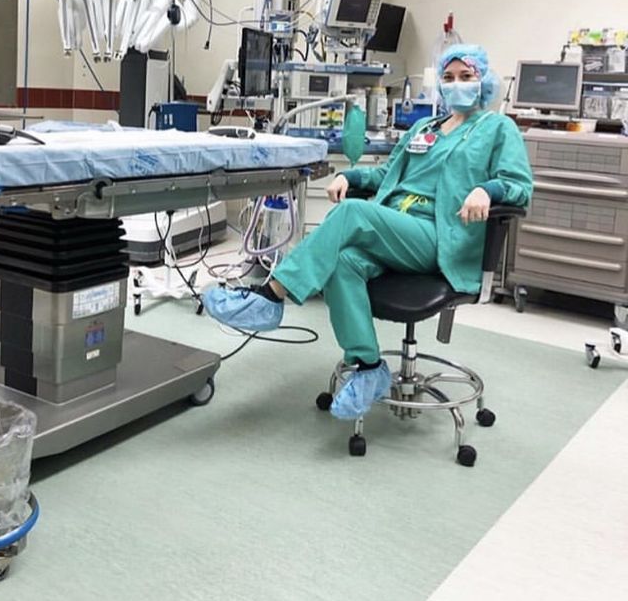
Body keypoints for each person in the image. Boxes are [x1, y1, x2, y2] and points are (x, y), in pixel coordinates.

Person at [203, 44, 533, 420]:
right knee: (343, 262)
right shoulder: (425, 129)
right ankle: (368, 367)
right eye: (449, 77)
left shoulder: (496, 127)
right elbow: (386, 175)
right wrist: (351, 175)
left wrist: (485, 190)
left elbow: (518, 186)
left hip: (439, 235)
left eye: (466, 77)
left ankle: (270, 296)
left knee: (353, 213)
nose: (457, 84)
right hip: (394, 226)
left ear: (483, 82)